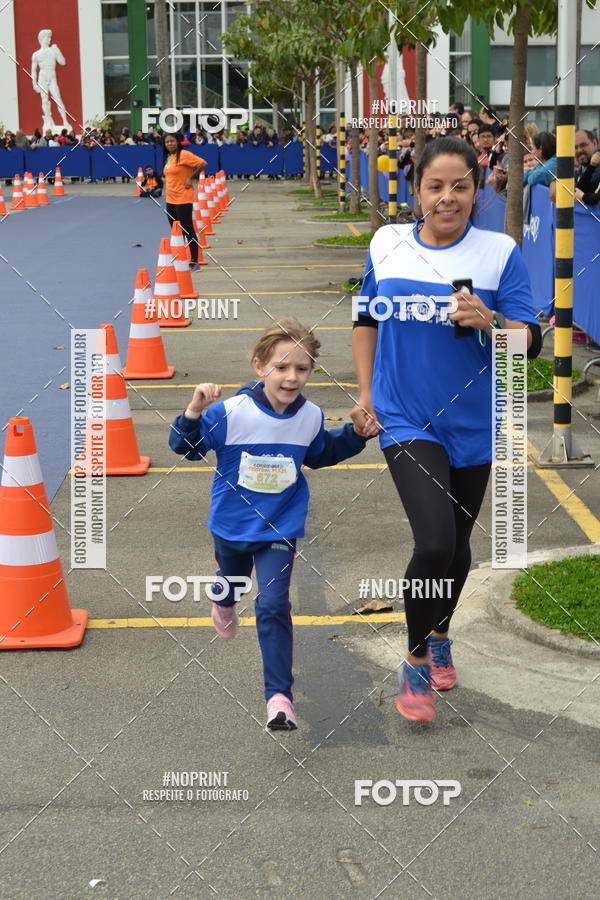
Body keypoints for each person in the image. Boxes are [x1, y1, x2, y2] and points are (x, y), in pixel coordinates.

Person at [350, 136, 541, 723]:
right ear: (417, 192)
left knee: (456, 546)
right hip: (406, 416)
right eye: (435, 185)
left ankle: (440, 634)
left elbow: (527, 346)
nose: (447, 197)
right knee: (433, 540)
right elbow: (364, 320)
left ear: (477, 189)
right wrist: (364, 395)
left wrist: (491, 323)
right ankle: (413, 661)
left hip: (477, 423)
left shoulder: (499, 252)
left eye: (460, 185)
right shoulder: (387, 244)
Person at [168, 318, 370, 730]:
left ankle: (278, 698)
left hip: (279, 528)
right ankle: (222, 601)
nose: (291, 376)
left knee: (273, 604)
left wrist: (356, 435)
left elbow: (321, 452)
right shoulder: (229, 413)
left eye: (302, 368)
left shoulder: (310, 416)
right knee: (231, 582)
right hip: (230, 526)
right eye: (282, 367)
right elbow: (184, 448)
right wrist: (192, 412)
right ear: (260, 366)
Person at [162, 132, 206, 270]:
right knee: (176, 231)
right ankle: (180, 259)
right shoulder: (169, 157)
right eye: (167, 141)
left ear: (178, 142)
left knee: (187, 229)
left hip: (183, 197)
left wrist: (191, 177)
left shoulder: (184, 154)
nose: (170, 143)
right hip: (171, 199)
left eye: (172, 141)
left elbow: (202, 163)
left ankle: (194, 261)